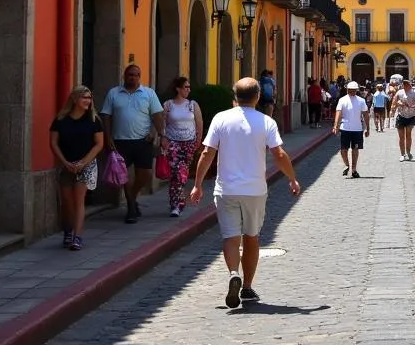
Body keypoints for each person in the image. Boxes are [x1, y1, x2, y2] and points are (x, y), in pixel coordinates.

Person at [190, 78, 300, 309]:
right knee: (251, 237)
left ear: (235, 96)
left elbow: (207, 153)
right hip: (254, 190)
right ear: (258, 96)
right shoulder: (266, 121)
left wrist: (197, 184)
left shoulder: (221, 118)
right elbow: (279, 154)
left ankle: (233, 273)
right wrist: (292, 178)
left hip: (226, 190)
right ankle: (247, 286)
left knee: (231, 237)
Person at [100, 64, 165, 224]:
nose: (133, 77)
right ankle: (131, 208)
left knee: (145, 175)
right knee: (123, 176)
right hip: (120, 141)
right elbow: (106, 116)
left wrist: (158, 134)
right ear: (124, 76)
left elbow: (157, 115)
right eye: (130, 74)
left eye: (136, 75)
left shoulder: (148, 93)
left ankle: (132, 196)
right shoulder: (114, 93)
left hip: (143, 141)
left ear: (140, 76)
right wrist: (108, 137)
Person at [50, 85, 104, 251]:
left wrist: (83, 163)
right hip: (66, 164)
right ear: (74, 99)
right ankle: (67, 230)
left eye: (89, 98)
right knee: (67, 202)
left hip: (86, 165)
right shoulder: (60, 120)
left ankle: (77, 237)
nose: (88, 101)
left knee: (79, 200)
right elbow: (53, 143)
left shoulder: (94, 120)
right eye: (84, 97)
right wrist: (65, 162)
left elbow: (99, 144)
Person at [161, 76, 203, 217]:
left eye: (189, 87)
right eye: (186, 87)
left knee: (182, 175)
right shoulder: (168, 105)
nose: (188, 90)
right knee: (176, 174)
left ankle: (178, 201)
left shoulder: (192, 105)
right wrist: (163, 138)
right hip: (173, 143)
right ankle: (176, 204)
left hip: (189, 142)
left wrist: (198, 139)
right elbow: (163, 123)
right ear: (177, 89)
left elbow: (199, 122)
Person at [332, 80, 370, 177]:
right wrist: (336, 126)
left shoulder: (361, 101)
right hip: (345, 128)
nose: (352, 91)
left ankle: (354, 169)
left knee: (355, 149)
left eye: (354, 90)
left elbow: (365, 114)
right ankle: (346, 165)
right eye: (350, 90)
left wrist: (367, 128)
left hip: (357, 129)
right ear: (347, 90)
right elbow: (338, 113)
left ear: (356, 90)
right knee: (343, 149)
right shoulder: (342, 100)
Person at [392, 78, 415, 161]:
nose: (405, 85)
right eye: (404, 84)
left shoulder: (414, 94)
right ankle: (402, 154)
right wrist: (399, 103)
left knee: (408, 135)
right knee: (401, 137)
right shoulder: (399, 92)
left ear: (409, 85)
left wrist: (413, 107)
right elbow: (394, 102)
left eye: (406, 84)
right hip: (401, 116)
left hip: (411, 116)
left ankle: (408, 152)